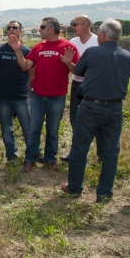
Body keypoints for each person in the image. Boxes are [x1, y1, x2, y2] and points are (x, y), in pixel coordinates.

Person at [60, 19, 130, 203]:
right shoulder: (127, 56)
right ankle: (105, 193)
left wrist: (69, 63)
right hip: (116, 108)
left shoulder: (92, 52)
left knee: (80, 148)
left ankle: (75, 188)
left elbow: (78, 73)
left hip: (91, 106)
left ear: (101, 34)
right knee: (110, 152)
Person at [9, 17, 79, 172]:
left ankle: (50, 159)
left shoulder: (68, 47)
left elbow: (77, 71)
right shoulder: (38, 47)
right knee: (34, 129)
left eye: (42, 27)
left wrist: (69, 63)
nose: (39, 29)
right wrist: (17, 51)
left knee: (53, 131)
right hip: (38, 97)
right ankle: (30, 158)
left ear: (51, 29)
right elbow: (25, 66)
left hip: (57, 97)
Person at [0, 20, 34, 163]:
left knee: (28, 129)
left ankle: (32, 155)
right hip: (2, 98)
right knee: (7, 130)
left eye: (15, 28)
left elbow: (30, 72)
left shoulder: (27, 51)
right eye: (9, 28)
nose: (12, 30)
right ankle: (11, 156)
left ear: (21, 32)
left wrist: (30, 93)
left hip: (21, 97)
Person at [60, 15, 99, 163]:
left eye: (75, 24)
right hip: (77, 86)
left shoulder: (97, 42)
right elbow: (71, 68)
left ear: (86, 25)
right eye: (72, 24)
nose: (72, 27)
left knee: (97, 121)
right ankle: (76, 153)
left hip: (93, 87)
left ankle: (101, 155)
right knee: (74, 120)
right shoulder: (72, 42)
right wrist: (69, 64)